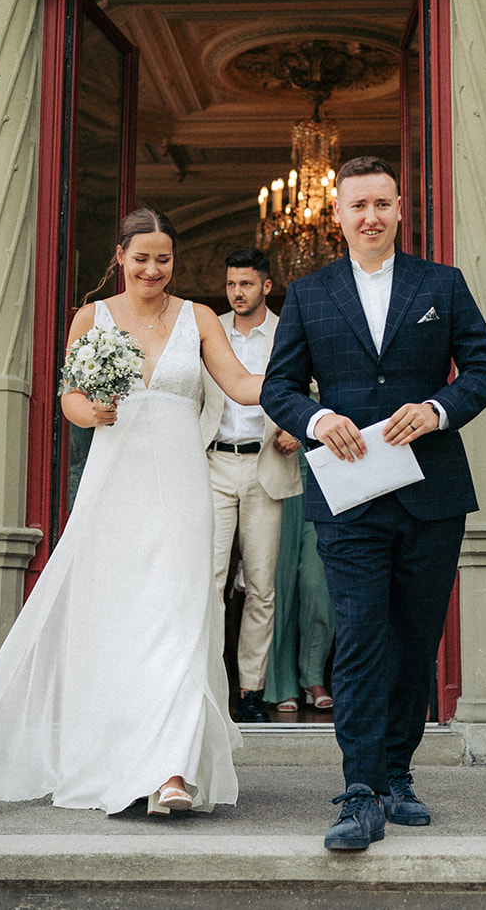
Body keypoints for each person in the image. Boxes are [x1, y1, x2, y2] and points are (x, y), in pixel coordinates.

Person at [0, 208, 263, 815]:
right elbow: (70, 398)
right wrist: (88, 413)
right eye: (142, 258)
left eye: (163, 259)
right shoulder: (94, 317)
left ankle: (172, 773)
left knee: (182, 616)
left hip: (183, 482)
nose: (153, 269)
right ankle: (120, 761)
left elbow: (242, 385)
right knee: (119, 620)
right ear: (120, 257)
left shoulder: (200, 317)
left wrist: (303, 379)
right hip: (117, 482)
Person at [261, 155, 486, 851]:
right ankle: (360, 789)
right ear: (335, 215)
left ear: (401, 209)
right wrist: (314, 419)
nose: (371, 216)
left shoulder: (442, 285)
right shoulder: (309, 294)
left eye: (382, 204)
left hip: (433, 494)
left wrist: (437, 407)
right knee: (362, 633)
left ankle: (399, 772)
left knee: (414, 637)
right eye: (357, 205)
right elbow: (277, 387)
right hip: (348, 497)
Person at [198, 246, 304, 723]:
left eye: (246, 284)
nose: (237, 293)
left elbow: (313, 389)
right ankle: (206, 688)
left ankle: (252, 693)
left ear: (266, 285)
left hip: (266, 468)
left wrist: (297, 426)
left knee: (262, 587)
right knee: (210, 583)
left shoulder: (288, 331)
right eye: (230, 285)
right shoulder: (205, 329)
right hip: (211, 466)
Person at [263, 454, 335, 715]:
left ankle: (313, 677)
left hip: (325, 476)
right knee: (278, 587)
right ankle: (282, 685)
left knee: (318, 586)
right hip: (277, 475)